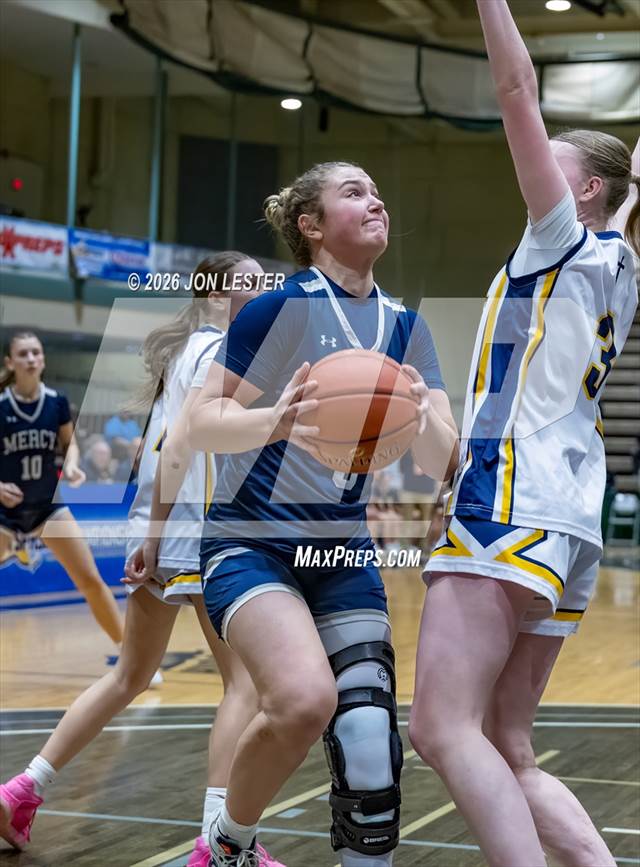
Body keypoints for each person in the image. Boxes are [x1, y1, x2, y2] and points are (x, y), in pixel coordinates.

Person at [408, 3, 639, 866]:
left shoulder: (562, 239)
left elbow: (515, 89)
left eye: (555, 159)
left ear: (584, 191)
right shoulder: (623, 265)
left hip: (512, 493)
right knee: (506, 742)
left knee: (439, 726)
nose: (536, 160)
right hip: (571, 515)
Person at [189, 162, 459, 867]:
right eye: (354, 192)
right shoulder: (277, 310)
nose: (376, 200)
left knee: (370, 743)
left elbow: (443, 460)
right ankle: (227, 843)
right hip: (252, 543)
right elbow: (200, 422)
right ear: (310, 225)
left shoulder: (407, 327)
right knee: (305, 699)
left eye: (377, 191)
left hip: (342, 552)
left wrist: (423, 411)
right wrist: (272, 422)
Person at [0, 254, 283, 867]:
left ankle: (23, 788)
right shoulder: (215, 352)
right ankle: (218, 842)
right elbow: (185, 446)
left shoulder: (186, 352)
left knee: (129, 676)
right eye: (250, 281)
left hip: (159, 527)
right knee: (243, 686)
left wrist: (150, 533)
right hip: (195, 531)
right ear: (216, 294)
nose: (263, 288)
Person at [0, 331, 124, 650]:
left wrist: (71, 465)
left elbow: (70, 444)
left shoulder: (56, 401)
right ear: (10, 362)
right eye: (23, 354)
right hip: (5, 513)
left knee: (90, 580)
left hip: (46, 507)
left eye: (36, 353)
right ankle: (16, 545)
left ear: (43, 359)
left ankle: (131, 658)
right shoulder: (2, 406)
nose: (31, 359)